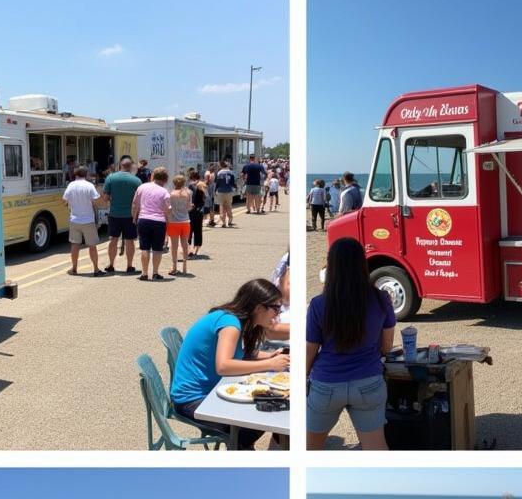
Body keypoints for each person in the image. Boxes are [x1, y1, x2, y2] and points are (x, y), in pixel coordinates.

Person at [170, 279, 289, 449]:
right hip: (192, 400)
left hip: (205, 391)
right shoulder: (230, 325)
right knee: (255, 422)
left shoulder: (233, 319)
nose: (278, 314)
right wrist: (270, 364)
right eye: (276, 308)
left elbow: (238, 354)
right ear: (259, 308)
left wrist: (269, 356)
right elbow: (224, 366)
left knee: (264, 410)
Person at [307, 236, 395, 451]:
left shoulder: (319, 304)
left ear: (332, 266)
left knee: (310, 448)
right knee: (376, 448)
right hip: (369, 381)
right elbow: (386, 347)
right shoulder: (381, 299)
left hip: (327, 383)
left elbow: (309, 352)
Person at [102, 157, 142, 274]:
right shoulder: (136, 180)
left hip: (114, 214)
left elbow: (105, 197)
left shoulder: (111, 178)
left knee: (113, 239)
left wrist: (112, 201)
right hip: (130, 215)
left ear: (120, 166)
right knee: (130, 241)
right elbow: (138, 200)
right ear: (130, 167)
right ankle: (129, 266)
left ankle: (111, 265)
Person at [131, 166, 171, 281]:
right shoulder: (164, 192)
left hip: (143, 220)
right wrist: (169, 222)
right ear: (165, 179)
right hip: (159, 221)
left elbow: (135, 204)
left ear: (152, 176)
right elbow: (167, 209)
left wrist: (134, 217)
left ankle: (144, 273)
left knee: (145, 247)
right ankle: (155, 273)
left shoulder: (142, 187)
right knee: (157, 249)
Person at [63, 167, 104, 277]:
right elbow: (97, 201)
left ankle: (74, 268)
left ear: (75, 175)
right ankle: (96, 269)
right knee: (92, 245)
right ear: (86, 175)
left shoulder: (70, 185)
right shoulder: (89, 186)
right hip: (88, 220)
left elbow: (64, 201)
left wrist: (70, 205)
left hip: (74, 219)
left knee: (75, 245)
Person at [166, 174, 193, 277]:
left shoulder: (171, 194)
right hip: (185, 221)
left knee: (174, 246)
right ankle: (185, 266)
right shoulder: (188, 193)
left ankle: (174, 267)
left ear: (174, 183)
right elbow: (189, 208)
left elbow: (168, 208)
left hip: (173, 222)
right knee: (185, 244)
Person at [213, 160, 236, 228]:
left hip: (220, 191)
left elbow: (217, 183)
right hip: (229, 191)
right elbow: (232, 183)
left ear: (221, 165)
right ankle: (230, 220)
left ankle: (223, 222)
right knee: (228, 206)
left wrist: (215, 191)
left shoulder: (219, 173)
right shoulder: (231, 172)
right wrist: (235, 187)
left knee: (222, 206)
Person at [188, 172, 206, 258]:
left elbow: (191, 199)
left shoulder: (191, 186)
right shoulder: (202, 185)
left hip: (191, 211)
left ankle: (189, 249)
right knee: (198, 230)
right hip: (200, 211)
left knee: (189, 230)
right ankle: (196, 250)